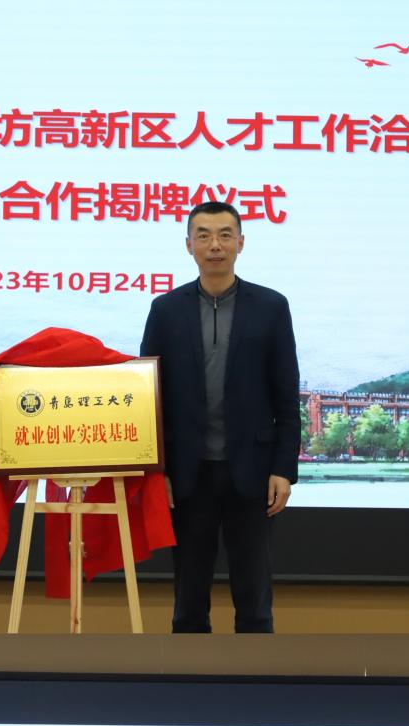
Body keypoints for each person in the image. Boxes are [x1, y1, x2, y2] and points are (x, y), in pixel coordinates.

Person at [140, 200, 300, 633]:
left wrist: (283, 468)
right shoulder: (165, 309)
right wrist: (157, 470)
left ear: (241, 243)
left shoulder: (271, 307)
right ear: (188, 245)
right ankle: (189, 675)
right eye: (205, 235)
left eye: (225, 235)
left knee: (254, 599)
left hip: (253, 472)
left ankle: (257, 673)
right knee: (189, 600)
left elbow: (286, 394)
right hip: (188, 474)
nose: (215, 245)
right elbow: (149, 396)